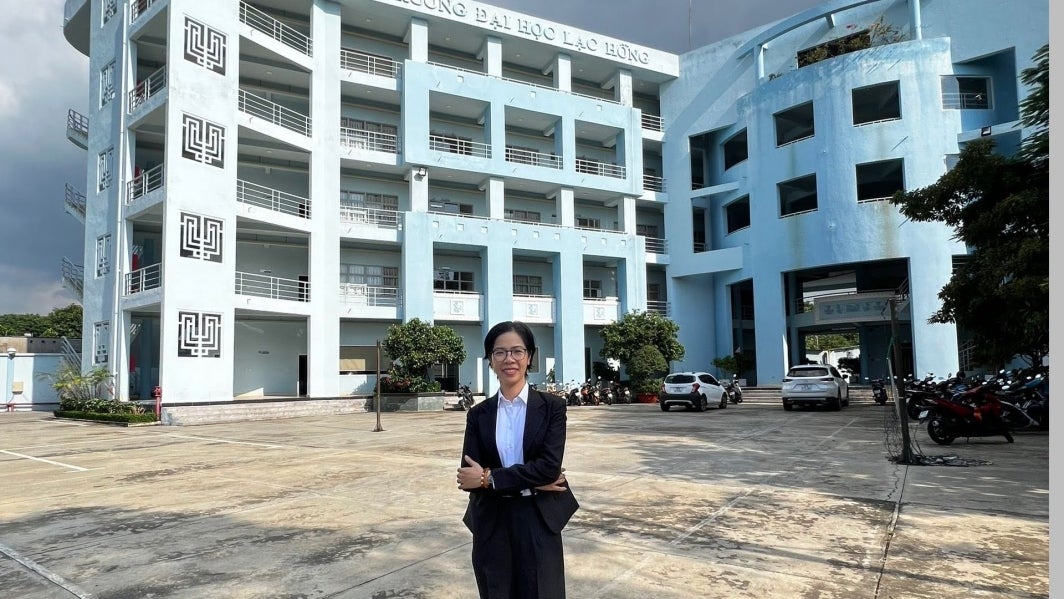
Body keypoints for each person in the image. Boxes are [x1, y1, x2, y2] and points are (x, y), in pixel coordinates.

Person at [456, 321, 578, 599]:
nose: (508, 359)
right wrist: (533, 481)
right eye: (499, 352)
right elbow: (468, 478)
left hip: (537, 518)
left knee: (542, 592)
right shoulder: (478, 414)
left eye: (517, 351)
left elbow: (548, 468)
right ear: (490, 360)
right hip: (492, 521)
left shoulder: (552, 408)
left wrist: (491, 478)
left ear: (529, 356)